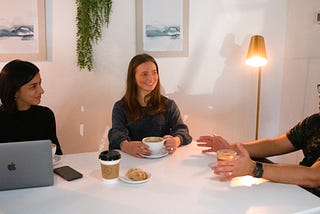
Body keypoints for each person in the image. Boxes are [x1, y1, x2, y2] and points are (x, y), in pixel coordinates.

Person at [197, 84, 320, 197]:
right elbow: (274, 145)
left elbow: (314, 177)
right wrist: (231, 149)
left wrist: (253, 168)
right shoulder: (314, 122)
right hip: (300, 193)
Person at [108, 53, 192, 158]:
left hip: (163, 163)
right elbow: (116, 135)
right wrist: (127, 146)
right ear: (133, 77)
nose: (151, 78)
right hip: (133, 162)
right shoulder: (120, 107)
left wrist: (176, 140)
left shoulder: (169, 105)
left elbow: (182, 131)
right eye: (144, 74)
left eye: (154, 72)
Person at [0, 59, 62, 155]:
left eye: (40, 84)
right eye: (33, 86)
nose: (41, 91)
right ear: (14, 91)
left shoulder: (45, 115)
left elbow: (57, 154)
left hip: (41, 170)